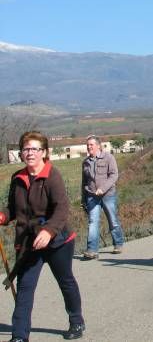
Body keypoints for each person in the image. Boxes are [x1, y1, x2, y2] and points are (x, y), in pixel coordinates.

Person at [0, 131, 85, 341]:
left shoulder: (52, 176)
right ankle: (19, 336)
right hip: (29, 242)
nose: (30, 153)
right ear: (21, 153)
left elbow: (62, 208)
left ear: (44, 152)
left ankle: (76, 321)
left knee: (65, 281)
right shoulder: (17, 178)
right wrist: (3, 215)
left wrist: (49, 231)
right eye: (26, 149)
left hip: (58, 241)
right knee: (25, 288)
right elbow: (13, 208)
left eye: (35, 149)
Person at [81, 135, 125, 259]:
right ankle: (92, 250)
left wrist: (103, 188)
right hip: (91, 196)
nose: (89, 147)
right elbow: (84, 182)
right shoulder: (85, 162)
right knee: (93, 222)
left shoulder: (109, 158)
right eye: (88, 145)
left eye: (91, 145)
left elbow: (114, 175)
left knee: (113, 220)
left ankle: (118, 243)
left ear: (98, 146)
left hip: (108, 195)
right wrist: (83, 199)